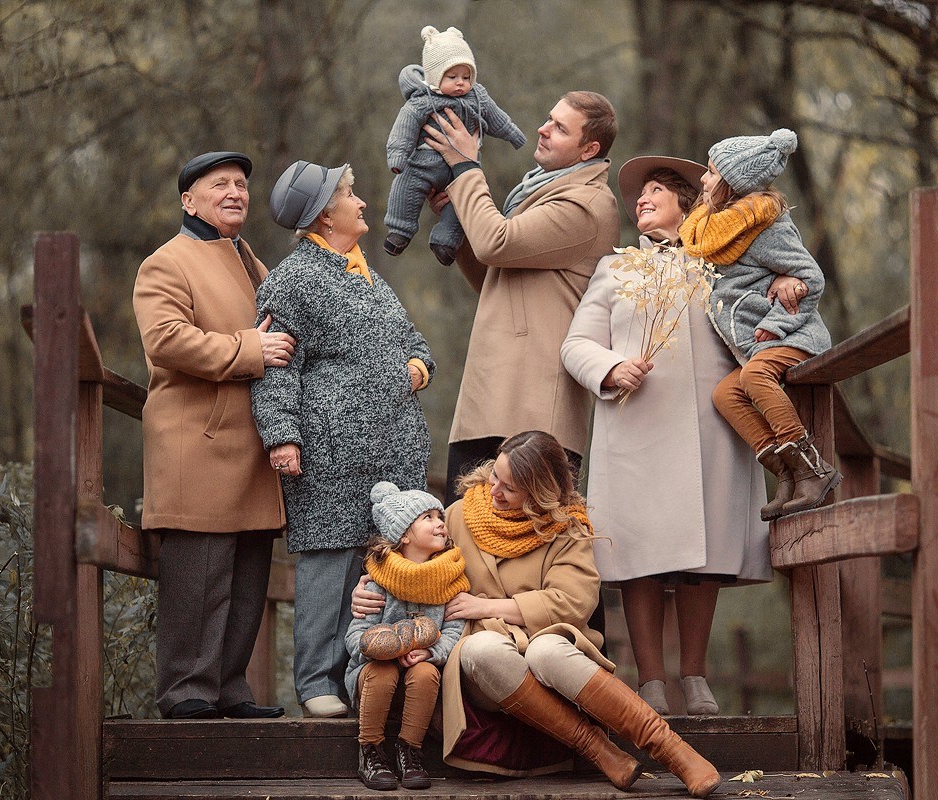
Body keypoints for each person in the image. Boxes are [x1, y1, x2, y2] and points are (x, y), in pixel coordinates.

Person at [353, 432, 722, 797]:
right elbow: (411, 565)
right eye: (495, 475)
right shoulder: (461, 515)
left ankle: (671, 749)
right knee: (483, 649)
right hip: (480, 667)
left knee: (546, 651)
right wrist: (370, 586)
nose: (494, 490)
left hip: (551, 653)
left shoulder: (566, 527)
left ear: (539, 492)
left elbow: (575, 600)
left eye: (509, 487)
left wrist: (489, 606)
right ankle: (598, 749)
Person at [562, 156, 791, 716]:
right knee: (638, 553)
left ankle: (695, 675)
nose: (641, 198)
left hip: (711, 430)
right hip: (635, 427)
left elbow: (774, 301)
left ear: (688, 203)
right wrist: (610, 369)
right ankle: (651, 680)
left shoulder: (723, 263)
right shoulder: (615, 269)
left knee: (702, 555)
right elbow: (576, 344)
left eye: (656, 190)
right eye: (639, 193)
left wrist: (788, 282)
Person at [253, 160, 435, 718]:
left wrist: (415, 369)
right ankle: (315, 683)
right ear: (326, 214)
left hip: (390, 450)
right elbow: (276, 365)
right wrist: (282, 435)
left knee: (376, 566)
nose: (361, 203)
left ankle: (364, 680)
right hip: (330, 450)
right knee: (326, 566)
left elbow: (414, 340)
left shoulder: (366, 274)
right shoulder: (293, 278)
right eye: (351, 195)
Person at [133, 151, 294, 720]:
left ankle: (229, 687)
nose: (235, 193)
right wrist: (250, 349)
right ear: (188, 200)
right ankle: (186, 693)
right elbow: (167, 340)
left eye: (242, 185)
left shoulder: (250, 259)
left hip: (250, 444)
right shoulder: (166, 262)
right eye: (220, 184)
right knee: (198, 576)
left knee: (248, 575)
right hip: (197, 443)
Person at [423, 91, 619, 504]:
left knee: (525, 551)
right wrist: (459, 221)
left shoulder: (586, 205)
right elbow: (496, 277)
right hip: (490, 398)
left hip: (533, 410)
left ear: (590, 149)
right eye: (549, 118)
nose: (542, 130)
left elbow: (496, 243)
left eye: (560, 128)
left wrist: (465, 167)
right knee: (468, 541)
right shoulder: (540, 192)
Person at [679, 129, 841, 517]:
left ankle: (813, 470)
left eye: (712, 172)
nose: (703, 178)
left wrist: (777, 323)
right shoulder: (715, 230)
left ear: (733, 184)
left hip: (795, 335)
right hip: (757, 346)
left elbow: (811, 278)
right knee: (725, 394)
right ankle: (786, 476)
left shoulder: (765, 226)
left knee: (754, 378)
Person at [344, 482, 468, 791]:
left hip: (418, 685)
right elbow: (355, 632)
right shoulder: (377, 582)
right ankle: (370, 750)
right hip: (373, 680)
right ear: (404, 535)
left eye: (440, 516)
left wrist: (430, 652)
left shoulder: (450, 579)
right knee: (382, 672)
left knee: (426, 672)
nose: (440, 523)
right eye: (428, 517)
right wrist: (377, 648)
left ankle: (410, 751)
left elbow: (455, 628)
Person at [383, 25, 526, 265]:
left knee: (462, 205)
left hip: (460, 171)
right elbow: (404, 127)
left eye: (466, 77)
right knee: (405, 188)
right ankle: (399, 231)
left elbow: (496, 117)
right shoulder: (423, 100)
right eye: (452, 77)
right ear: (436, 76)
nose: (461, 83)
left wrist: (513, 134)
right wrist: (397, 155)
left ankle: (445, 241)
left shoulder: (478, 96)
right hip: (423, 163)